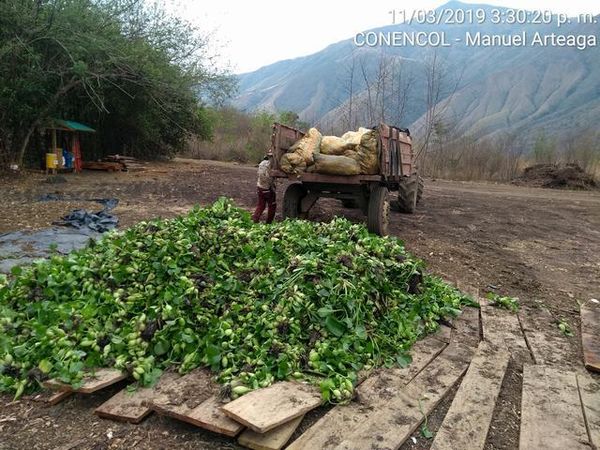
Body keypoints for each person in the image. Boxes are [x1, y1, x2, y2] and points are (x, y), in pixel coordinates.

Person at [252, 152, 276, 223]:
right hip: (267, 188)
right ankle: (269, 222)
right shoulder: (269, 165)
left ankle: (255, 220)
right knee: (272, 205)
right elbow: (267, 177)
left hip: (260, 186)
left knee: (261, 205)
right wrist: (271, 185)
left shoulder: (262, 163)